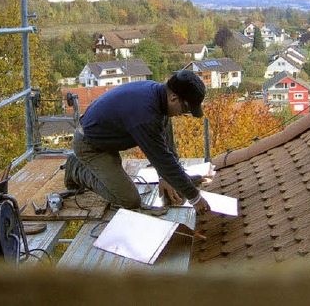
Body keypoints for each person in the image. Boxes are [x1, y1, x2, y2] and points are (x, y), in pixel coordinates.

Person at [64, 70, 212, 216]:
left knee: (165, 122)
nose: (182, 113)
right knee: (129, 200)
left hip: (107, 140)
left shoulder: (159, 96)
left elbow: (164, 145)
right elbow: (162, 159)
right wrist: (195, 198)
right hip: (90, 147)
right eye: (185, 108)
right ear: (173, 98)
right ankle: (76, 168)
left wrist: (166, 178)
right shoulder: (145, 115)